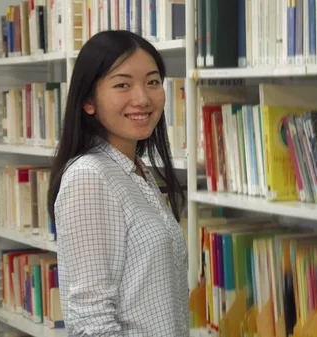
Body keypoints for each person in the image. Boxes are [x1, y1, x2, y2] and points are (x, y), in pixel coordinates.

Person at [47, 30, 188, 336]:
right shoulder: (90, 176)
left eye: (152, 82)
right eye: (123, 84)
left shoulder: (136, 170)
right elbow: (92, 320)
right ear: (88, 100)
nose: (142, 98)